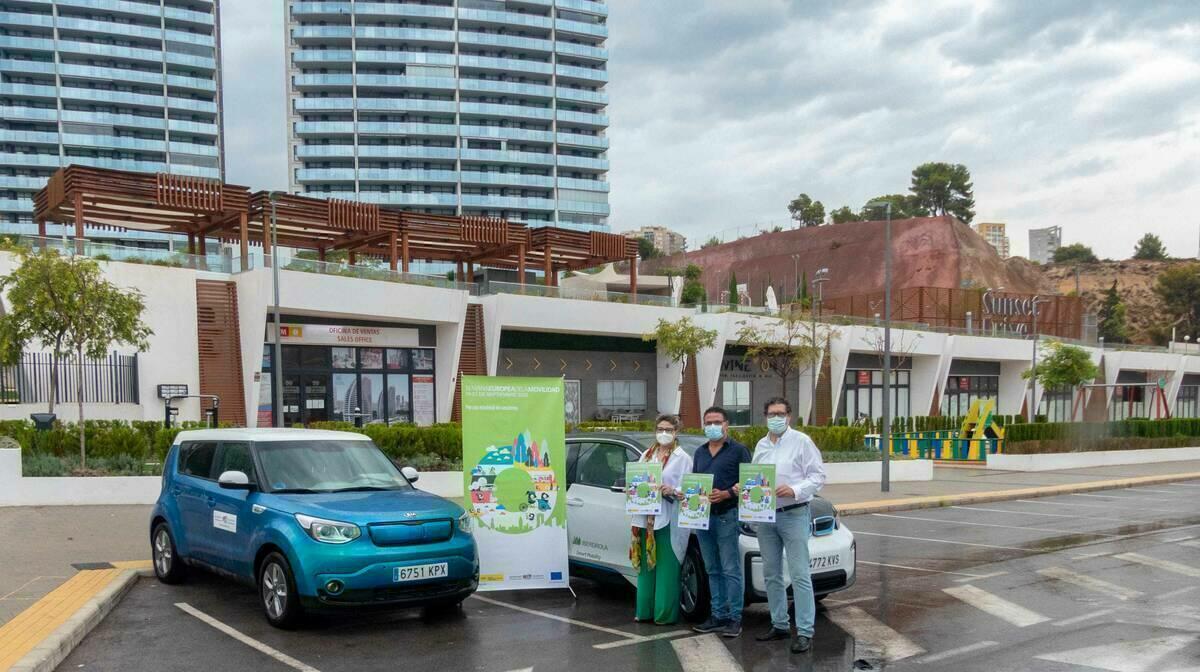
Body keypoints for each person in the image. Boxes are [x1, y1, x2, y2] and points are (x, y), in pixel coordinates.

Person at [740, 397, 826, 654]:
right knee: (771, 573)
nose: (775, 418)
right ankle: (779, 624)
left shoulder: (801, 441)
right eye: (771, 414)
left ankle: (805, 632)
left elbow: (818, 476)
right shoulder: (762, 444)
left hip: (794, 513)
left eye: (780, 413)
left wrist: (795, 489)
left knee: (799, 574)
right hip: (767, 517)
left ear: (789, 416)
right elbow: (756, 478)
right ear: (765, 416)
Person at [690, 406, 752, 637]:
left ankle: (735, 618)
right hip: (703, 517)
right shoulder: (699, 452)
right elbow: (695, 483)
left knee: (730, 569)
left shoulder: (738, 451)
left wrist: (727, 493)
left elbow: (751, 482)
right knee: (712, 569)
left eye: (717, 422)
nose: (713, 426)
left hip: (727, 515)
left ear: (726, 424)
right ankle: (718, 614)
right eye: (708, 422)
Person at [630, 414, 693, 625]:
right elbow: (637, 480)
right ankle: (644, 611)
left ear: (676, 432)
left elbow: (688, 489)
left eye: (668, 429)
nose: (663, 433)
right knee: (646, 567)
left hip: (667, 517)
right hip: (645, 518)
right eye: (660, 429)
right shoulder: (647, 455)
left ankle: (663, 615)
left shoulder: (682, 458)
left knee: (666, 567)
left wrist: (672, 490)